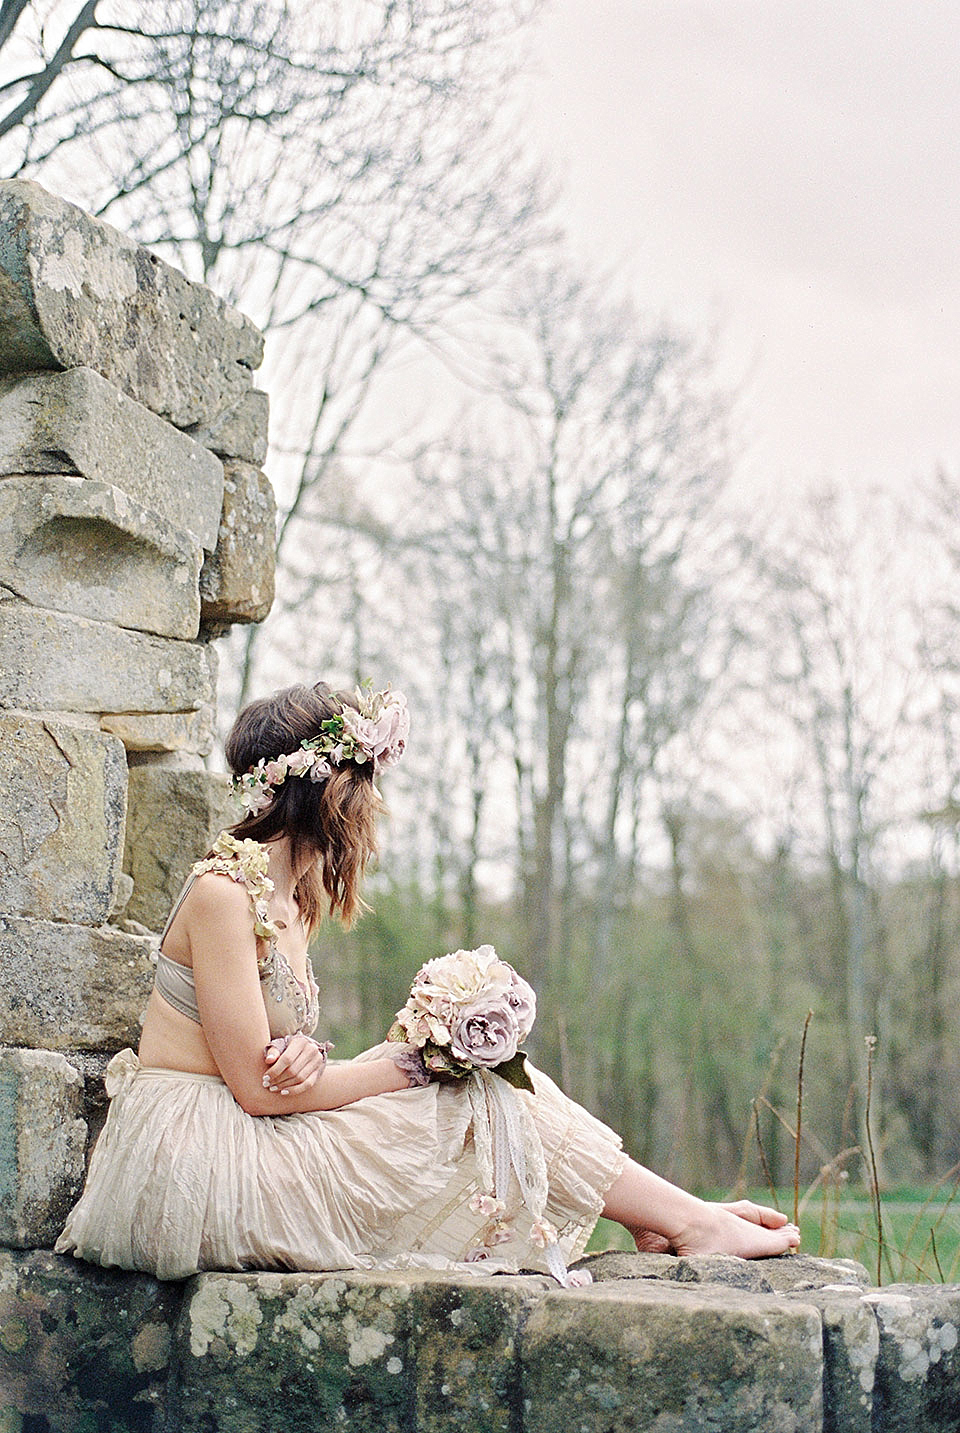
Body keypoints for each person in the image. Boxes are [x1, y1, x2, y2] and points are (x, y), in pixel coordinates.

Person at [57, 681, 799, 1283]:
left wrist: (316, 1056)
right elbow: (253, 1087)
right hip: (197, 1156)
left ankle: (667, 1211)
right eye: (364, 784)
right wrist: (395, 1064)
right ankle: (680, 1217)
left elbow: (267, 1063)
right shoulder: (224, 893)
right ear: (324, 786)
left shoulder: (296, 895)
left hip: (250, 1126)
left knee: (490, 1081)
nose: (372, 806)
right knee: (470, 1090)